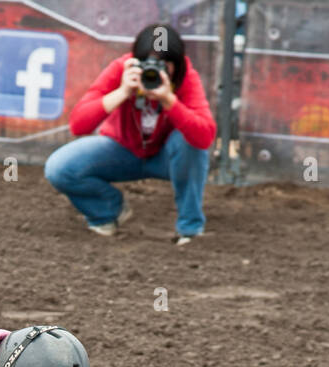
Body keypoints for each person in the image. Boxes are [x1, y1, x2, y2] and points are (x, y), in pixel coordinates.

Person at [44, 23, 216, 244]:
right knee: (60, 168)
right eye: (149, 64)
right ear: (136, 60)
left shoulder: (186, 78)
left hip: (168, 157)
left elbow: (205, 137)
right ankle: (107, 211)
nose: (155, 72)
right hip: (122, 151)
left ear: (177, 65)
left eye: (165, 65)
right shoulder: (123, 69)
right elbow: (78, 125)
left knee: (190, 139)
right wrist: (123, 91)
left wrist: (169, 100)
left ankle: (190, 229)